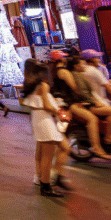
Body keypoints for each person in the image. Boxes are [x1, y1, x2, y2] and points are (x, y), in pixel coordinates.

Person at [20, 59, 70, 197]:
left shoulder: (30, 84)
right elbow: (47, 106)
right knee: (47, 156)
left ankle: (43, 179)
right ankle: (46, 186)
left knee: (44, 153)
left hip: (38, 119)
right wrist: (58, 112)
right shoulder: (43, 85)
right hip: (45, 120)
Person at [49, 51, 111, 160]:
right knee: (92, 119)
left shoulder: (54, 71)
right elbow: (75, 88)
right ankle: (96, 147)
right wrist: (87, 99)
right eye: (64, 57)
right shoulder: (64, 71)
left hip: (67, 102)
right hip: (71, 103)